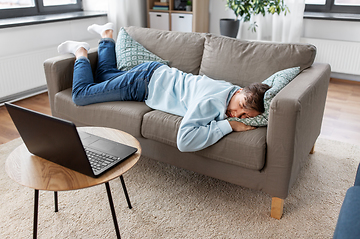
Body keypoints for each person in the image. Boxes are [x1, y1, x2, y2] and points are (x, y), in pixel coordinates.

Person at [57, 23, 270, 152]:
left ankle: (106, 35)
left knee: (105, 76)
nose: (236, 114)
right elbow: (184, 141)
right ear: (240, 91)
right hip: (143, 83)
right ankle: (81, 51)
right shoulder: (212, 103)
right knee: (81, 94)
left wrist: (241, 114)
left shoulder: (229, 88)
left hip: (154, 75)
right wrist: (229, 126)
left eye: (243, 116)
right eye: (240, 106)